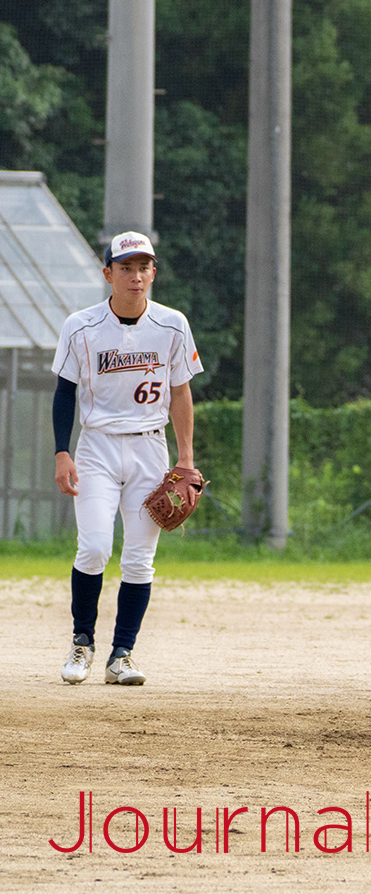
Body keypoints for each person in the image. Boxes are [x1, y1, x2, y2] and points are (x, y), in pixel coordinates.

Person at [53, 231, 202, 686]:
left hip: (149, 447)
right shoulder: (80, 326)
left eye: (144, 267)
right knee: (95, 547)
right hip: (96, 446)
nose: (136, 276)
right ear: (108, 274)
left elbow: (180, 392)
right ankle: (82, 644)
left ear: (153, 273)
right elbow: (64, 394)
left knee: (139, 559)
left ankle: (122, 655)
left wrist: (186, 460)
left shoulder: (172, 324)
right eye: (126, 267)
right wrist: (62, 451)